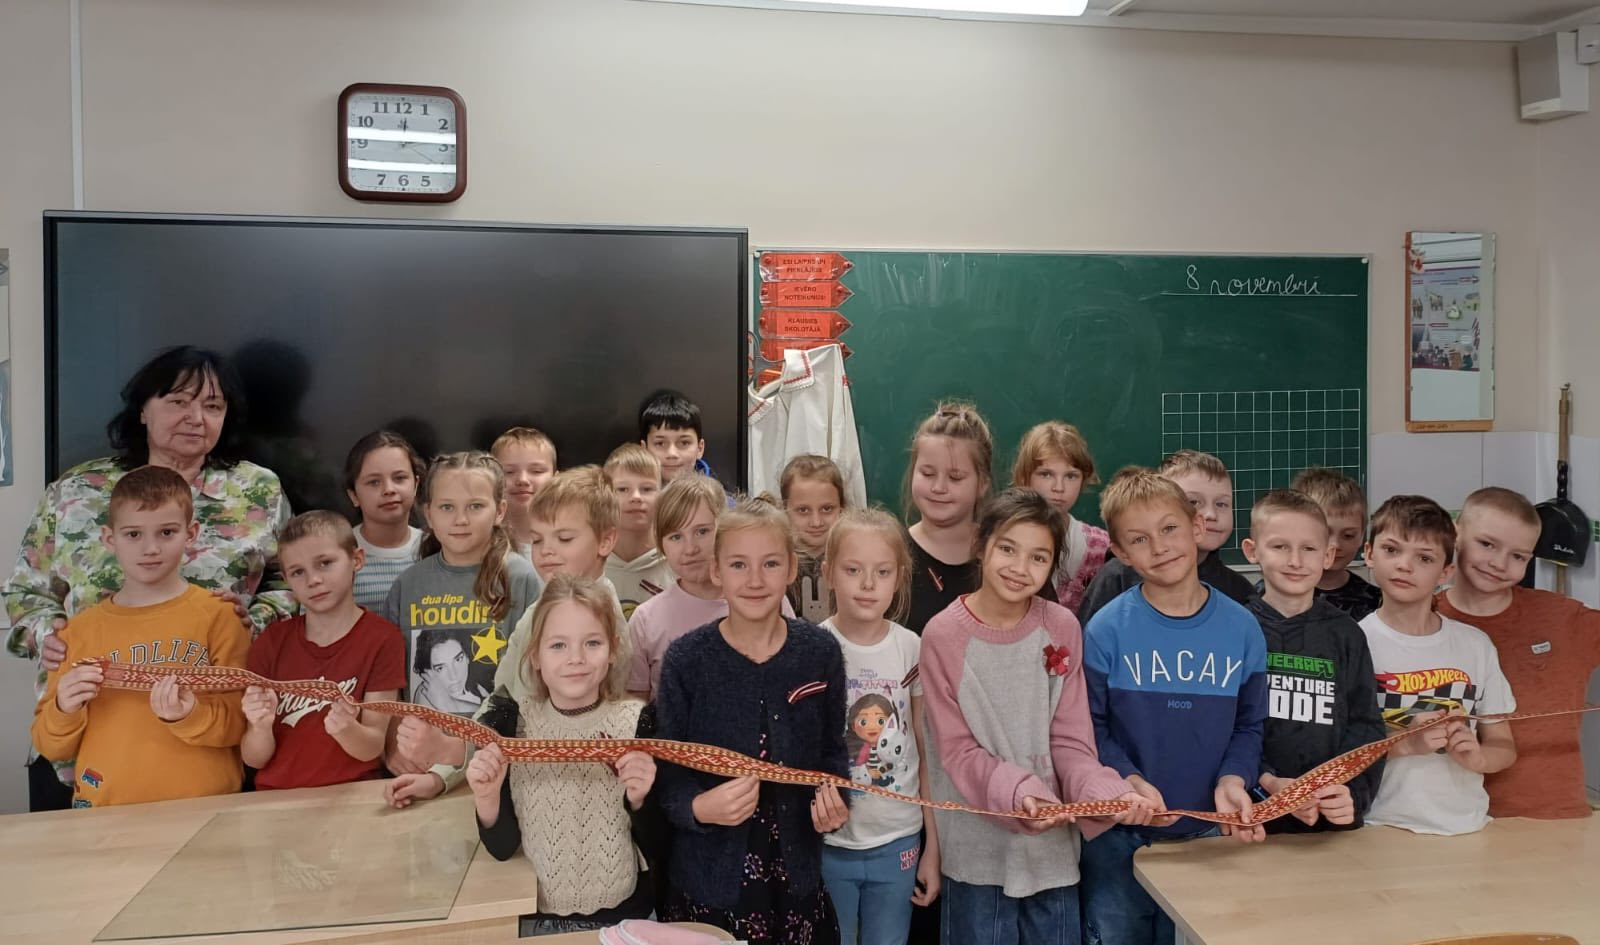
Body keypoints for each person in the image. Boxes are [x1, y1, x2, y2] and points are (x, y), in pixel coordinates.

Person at [5, 345, 293, 811]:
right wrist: (47, 634)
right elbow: (25, 588)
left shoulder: (258, 490)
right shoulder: (77, 491)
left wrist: (256, 619)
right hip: (90, 742)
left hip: (205, 747)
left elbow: (292, 579)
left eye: (212, 405)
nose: (195, 418)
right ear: (143, 408)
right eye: (178, 401)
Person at [923, 489, 1153, 945]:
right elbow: (957, 751)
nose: (1019, 567)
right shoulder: (942, 636)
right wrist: (1020, 791)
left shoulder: (1062, 627)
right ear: (981, 544)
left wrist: (1107, 793)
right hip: (977, 856)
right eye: (1007, 548)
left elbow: (1071, 742)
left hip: (1052, 854)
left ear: (1052, 566)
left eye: (1038, 557)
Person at [1079, 467, 1269, 945]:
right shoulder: (1105, 630)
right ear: (1120, 552)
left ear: (1196, 526)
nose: (1160, 547)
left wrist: (1233, 780)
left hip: (1209, 835)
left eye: (1169, 529)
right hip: (1121, 837)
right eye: (1139, 539)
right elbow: (1090, 727)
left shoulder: (1242, 627)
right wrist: (1128, 780)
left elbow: (1250, 725)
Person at [655, 496, 850, 944]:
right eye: (739, 565)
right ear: (717, 571)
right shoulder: (686, 660)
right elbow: (667, 773)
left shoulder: (820, 652)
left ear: (791, 568)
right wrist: (698, 808)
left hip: (796, 880)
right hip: (710, 882)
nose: (756, 580)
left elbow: (832, 753)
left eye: (770, 564)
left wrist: (834, 799)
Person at [32, 465, 248, 807]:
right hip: (107, 813)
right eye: (133, 534)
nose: (150, 548)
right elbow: (50, 746)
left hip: (205, 808)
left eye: (167, 532)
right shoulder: (78, 631)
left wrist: (189, 714)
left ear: (191, 534)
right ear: (109, 538)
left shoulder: (220, 617)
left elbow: (243, 723)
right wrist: (63, 707)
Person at [468, 575, 661, 934]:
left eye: (592, 643)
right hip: (533, 919)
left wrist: (641, 800)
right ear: (535, 656)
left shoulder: (637, 725)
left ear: (613, 649)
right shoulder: (511, 725)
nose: (576, 658)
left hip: (623, 915)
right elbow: (502, 847)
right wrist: (487, 798)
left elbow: (660, 845)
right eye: (558, 645)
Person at [381, 451, 542, 809]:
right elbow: (390, 679)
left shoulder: (522, 578)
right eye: (447, 507)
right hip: (419, 762)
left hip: (498, 761)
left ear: (500, 511)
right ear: (428, 514)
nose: (460, 519)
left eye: (475, 506)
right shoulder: (409, 584)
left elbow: (532, 689)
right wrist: (392, 741)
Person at [1436, 486, 1600, 820]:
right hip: (1449, 819)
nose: (1499, 564)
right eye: (1487, 544)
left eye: (1519, 557)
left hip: (1555, 818)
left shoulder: (1563, 618)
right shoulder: (1419, 618)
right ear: (1455, 534)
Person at [1360, 495, 1516, 836]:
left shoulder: (1476, 646)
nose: (1405, 565)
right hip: (1377, 825)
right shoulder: (1353, 642)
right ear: (1369, 554)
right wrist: (1406, 744)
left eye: (1424, 558)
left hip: (1466, 825)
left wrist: (1479, 758)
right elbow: (1340, 752)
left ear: (1446, 572)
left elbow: (1503, 745)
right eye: (1391, 550)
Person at [818, 508, 939, 945]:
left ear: (898, 578)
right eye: (853, 570)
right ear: (829, 574)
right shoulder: (813, 647)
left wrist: (933, 848)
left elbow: (924, 747)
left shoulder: (911, 648)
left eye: (882, 572)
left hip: (898, 839)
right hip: (830, 844)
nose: (868, 584)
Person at [1240, 489, 1385, 833]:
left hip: (1328, 821)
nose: (1295, 561)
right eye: (1280, 546)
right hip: (1253, 818)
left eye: (1308, 549)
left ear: (1328, 555)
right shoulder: (1236, 629)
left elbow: (1365, 727)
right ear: (1252, 551)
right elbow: (1225, 727)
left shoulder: (1346, 634)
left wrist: (1350, 793)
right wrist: (1266, 781)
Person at [242, 511, 405, 789]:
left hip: (353, 793)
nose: (313, 580)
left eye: (325, 563)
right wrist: (260, 727)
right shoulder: (271, 641)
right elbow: (253, 758)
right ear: (286, 579)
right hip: (274, 796)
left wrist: (347, 729)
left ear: (356, 560)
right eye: (298, 572)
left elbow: (373, 746)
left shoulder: (383, 639)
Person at [626, 475, 797, 701]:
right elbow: (635, 704)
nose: (690, 549)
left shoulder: (764, 598)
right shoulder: (646, 619)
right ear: (661, 544)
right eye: (676, 537)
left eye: (702, 531)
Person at [1078, 450, 1254, 624]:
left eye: (1221, 504)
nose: (1210, 514)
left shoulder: (1239, 590)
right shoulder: (1116, 578)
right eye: (1193, 502)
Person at [903, 402, 993, 635]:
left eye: (955, 477)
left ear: (982, 484)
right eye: (927, 474)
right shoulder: (890, 553)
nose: (939, 487)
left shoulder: (1005, 555)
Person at [1011, 421, 1108, 616]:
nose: (1059, 487)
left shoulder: (1102, 546)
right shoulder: (1002, 542)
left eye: (1071, 476)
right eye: (1046, 474)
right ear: (1024, 477)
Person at [344, 430, 425, 609]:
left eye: (399, 478)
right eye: (374, 482)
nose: (389, 489)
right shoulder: (338, 554)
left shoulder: (437, 548)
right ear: (354, 495)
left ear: (416, 485)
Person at [1290, 466, 1382, 620]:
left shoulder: (1376, 602)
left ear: (1362, 536)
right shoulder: (1271, 595)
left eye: (1348, 535)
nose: (1336, 545)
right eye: (1325, 533)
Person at [603, 444, 674, 619]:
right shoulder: (589, 561)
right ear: (605, 496)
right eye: (622, 489)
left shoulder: (678, 559)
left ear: (662, 495)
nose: (636, 497)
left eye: (647, 489)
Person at [782, 454, 848, 625]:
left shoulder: (855, 561)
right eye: (803, 510)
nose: (816, 522)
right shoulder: (776, 564)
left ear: (842, 508)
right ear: (784, 509)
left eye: (827, 509)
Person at [492, 426, 558, 560]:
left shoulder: (577, 542)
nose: (522, 480)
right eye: (509, 472)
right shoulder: (478, 546)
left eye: (536, 471)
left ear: (556, 479)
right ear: (491, 479)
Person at [639, 388, 713, 482]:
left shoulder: (718, 492)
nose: (672, 454)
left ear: (700, 448)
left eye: (684, 443)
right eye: (660, 443)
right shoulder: (627, 489)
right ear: (644, 450)